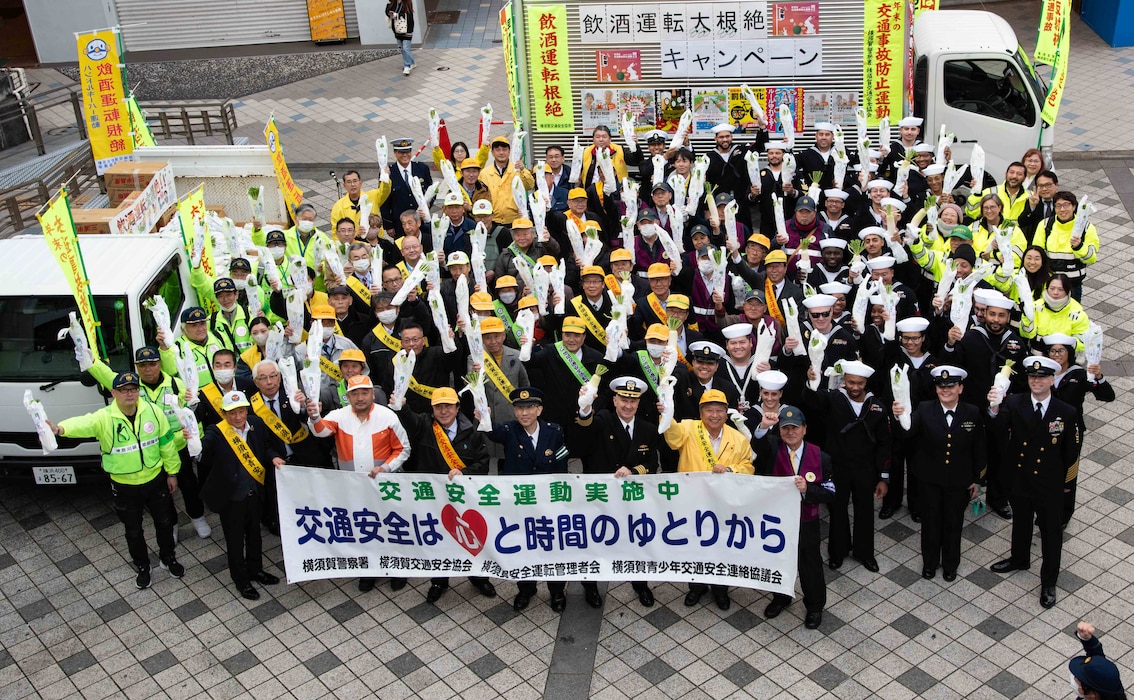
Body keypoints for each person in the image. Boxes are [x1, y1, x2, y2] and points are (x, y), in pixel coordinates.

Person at [48, 372, 184, 590]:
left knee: (165, 523)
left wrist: (172, 473)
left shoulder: (153, 412)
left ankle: (168, 558)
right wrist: (60, 429)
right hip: (124, 486)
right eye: (123, 390)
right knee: (133, 530)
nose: (129, 394)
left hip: (155, 480)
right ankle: (142, 566)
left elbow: (166, 443)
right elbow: (84, 423)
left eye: (133, 389)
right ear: (113, 393)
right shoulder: (104, 418)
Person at [988, 356, 1080, 609]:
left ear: (1052, 380)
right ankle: (1019, 559)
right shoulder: (1015, 402)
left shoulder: (1066, 412)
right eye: (1032, 377)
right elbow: (997, 430)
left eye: (1041, 378)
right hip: (1020, 478)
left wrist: (1067, 485)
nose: (1036, 381)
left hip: (1050, 484)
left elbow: (1072, 452)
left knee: (1051, 533)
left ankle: (1049, 581)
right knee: (1021, 522)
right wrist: (994, 409)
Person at [308, 375, 411, 592]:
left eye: (365, 392)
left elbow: (403, 449)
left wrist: (386, 468)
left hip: (384, 485)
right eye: (354, 393)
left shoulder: (387, 417)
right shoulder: (339, 416)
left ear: (373, 394)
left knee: (391, 526)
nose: (360, 398)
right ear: (347, 397)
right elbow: (321, 431)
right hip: (354, 488)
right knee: (363, 527)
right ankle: (368, 569)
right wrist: (315, 417)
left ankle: (397, 568)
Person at [392, 387, 496, 603]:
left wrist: (464, 472)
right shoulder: (423, 425)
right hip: (433, 498)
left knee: (471, 537)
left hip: (463, 498)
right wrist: (402, 407)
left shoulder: (473, 430)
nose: (444, 411)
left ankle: (478, 576)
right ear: (432, 409)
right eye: (439, 407)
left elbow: (483, 463)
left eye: (448, 406)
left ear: (457, 408)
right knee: (438, 538)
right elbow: (408, 419)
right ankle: (439, 580)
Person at [570, 376, 661, 608]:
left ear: (639, 403)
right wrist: (585, 408)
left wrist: (633, 470)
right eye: (623, 399)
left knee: (636, 540)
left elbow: (652, 463)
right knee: (595, 540)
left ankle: (640, 583)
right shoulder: (603, 420)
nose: (628, 405)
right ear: (614, 399)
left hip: (632, 499)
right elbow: (584, 432)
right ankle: (590, 585)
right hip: (600, 497)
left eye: (633, 401)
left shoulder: (648, 429)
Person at [663, 389, 754, 610]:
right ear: (701, 412)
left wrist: (731, 469)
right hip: (692, 502)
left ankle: (721, 590)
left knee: (721, 547)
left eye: (719, 410)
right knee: (694, 546)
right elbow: (673, 438)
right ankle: (696, 587)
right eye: (709, 410)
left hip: (723, 504)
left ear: (726, 412)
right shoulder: (688, 428)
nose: (714, 415)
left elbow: (748, 467)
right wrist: (666, 413)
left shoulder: (738, 439)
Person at [482, 387, 572, 612]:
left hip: (548, 503)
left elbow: (561, 465)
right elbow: (490, 430)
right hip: (520, 503)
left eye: (530, 407)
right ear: (514, 411)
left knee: (553, 548)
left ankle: (557, 590)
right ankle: (526, 588)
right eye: (519, 408)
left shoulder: (554, 431)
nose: (524, 413)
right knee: (523, 546)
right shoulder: (508, 430)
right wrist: (483, 414)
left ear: (539, 409)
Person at [892, 366, 984, 581]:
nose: (946, 390)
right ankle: (930, 563)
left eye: (951, 386)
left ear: (960, 388)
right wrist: (899, 418)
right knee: (931, 524)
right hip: (929, 479)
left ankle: (951, 564)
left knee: (953, 524)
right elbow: (906, 434)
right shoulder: (924, 409)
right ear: (936, 389)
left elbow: (980, 448)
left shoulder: (972, 412)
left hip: (959, 481)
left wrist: (978, 480)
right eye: (941, 386)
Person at [803, 360, 890, 573]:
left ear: (866, 383)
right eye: (851, 382)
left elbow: (884, 445)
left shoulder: (877, 406)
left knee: (865, 510)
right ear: (845, 380)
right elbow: (811, 400)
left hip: (865, 468)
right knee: (838, 510)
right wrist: (811, 382)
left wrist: (883, 477)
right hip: (838, 467)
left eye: (860, 383)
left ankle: (865, 553)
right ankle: (837, 552)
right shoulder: (833, 398)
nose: (855, 387)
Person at [198, 390, 286, 600]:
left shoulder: (255, 424)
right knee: (235, 540)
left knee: (254, 533)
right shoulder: (216, 432)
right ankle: (241, 579)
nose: (238, 417)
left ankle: (256, 569)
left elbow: (265, 448)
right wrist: (193, 441)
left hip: (254, 492)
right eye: (232, 413)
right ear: (223, 413)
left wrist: (273, 457)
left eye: (241, 411)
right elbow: (203, 449)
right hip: (231, 497)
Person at [759, 405, 835, 629]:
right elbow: (757, 446)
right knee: (777, 558)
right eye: (785, 428)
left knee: (809, 563)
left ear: (804, 429)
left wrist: (807, 490)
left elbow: (831, 493)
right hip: (776, 520)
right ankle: (780, 597)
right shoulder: (773, 449)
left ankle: (814, 606)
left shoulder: (820, 456)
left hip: (806, 520)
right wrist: (764, 426)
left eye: (795, 428)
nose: (790, 432)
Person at [1041, 334, 1114, 527]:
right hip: (1043, 431)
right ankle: (1042, 510)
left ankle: (1063, 515)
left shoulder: (1078, 375)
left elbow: (1107, 396)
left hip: (1071, 433)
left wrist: (1098, 376)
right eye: (1053, 351)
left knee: (1068, 473)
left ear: (1069, 353)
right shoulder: (1041, 373)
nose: (1056, 355)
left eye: (1061, 351)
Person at [1068, 622, 1128, 700]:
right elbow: (1098, 663)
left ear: (1093, 694)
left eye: (1078, 679)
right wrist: (1087, 639)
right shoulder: (1109, 689)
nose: (1074, 680)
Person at [387, 0, 415, 75]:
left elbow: (409, 16)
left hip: (407, 30)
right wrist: (390, 12)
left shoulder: (407, 3)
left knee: (406, 48)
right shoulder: (393, 3)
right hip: (397, 30)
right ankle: (412, 62)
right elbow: (387, 12)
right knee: (402, 48)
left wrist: (397, 15)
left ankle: (407, 66)